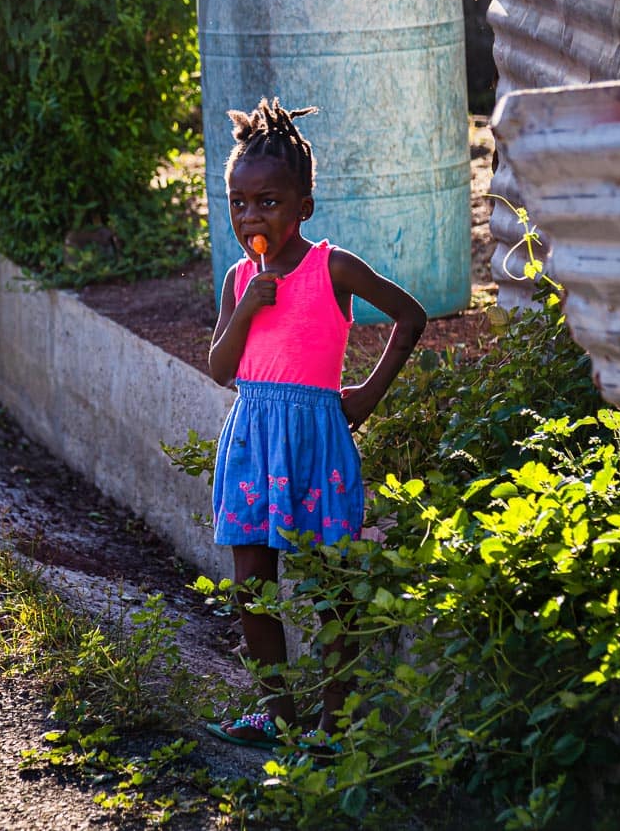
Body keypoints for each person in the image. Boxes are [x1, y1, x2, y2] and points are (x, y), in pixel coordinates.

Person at [204, 97, 426, 750]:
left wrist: (365, 396)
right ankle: (279, 716)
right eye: (239, 204)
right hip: (252, 445)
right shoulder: (238, 279)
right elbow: (220, 367)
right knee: (252, 588)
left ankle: (336, 727)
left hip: (316, 442)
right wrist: (246, 308)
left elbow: (410, 317)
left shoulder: (333, 267)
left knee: (332, 589)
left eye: (268, 202)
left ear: (303, 205)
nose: (252, 218)